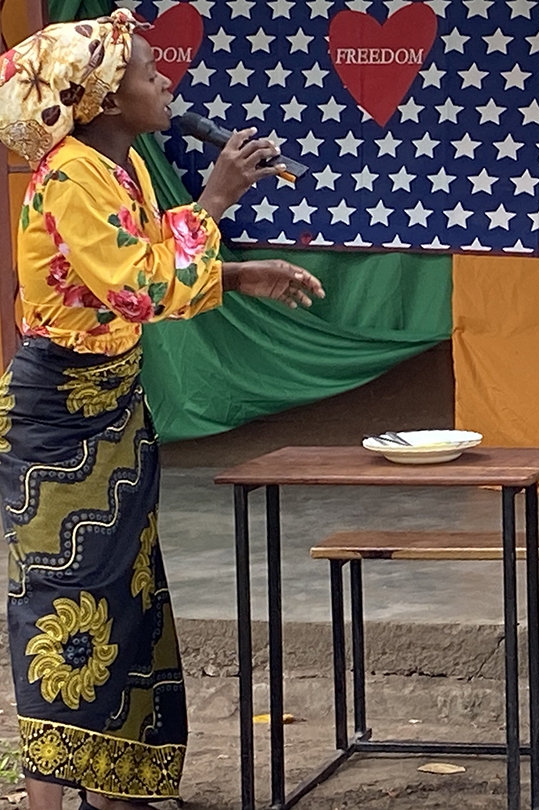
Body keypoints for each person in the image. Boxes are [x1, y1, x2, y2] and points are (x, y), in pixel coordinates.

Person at [0, 11, 324, 810]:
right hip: (59, 418)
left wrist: (242, 275)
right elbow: (138, 286)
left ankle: (116, 789)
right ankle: (48, 803)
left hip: (114, 404)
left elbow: (151, 267)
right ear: (105, 100)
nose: (166, 83)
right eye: (149, 73)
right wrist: (216, 194)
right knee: (63, 606)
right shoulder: (70, 176)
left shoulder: (127, 168)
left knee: (126, 598)